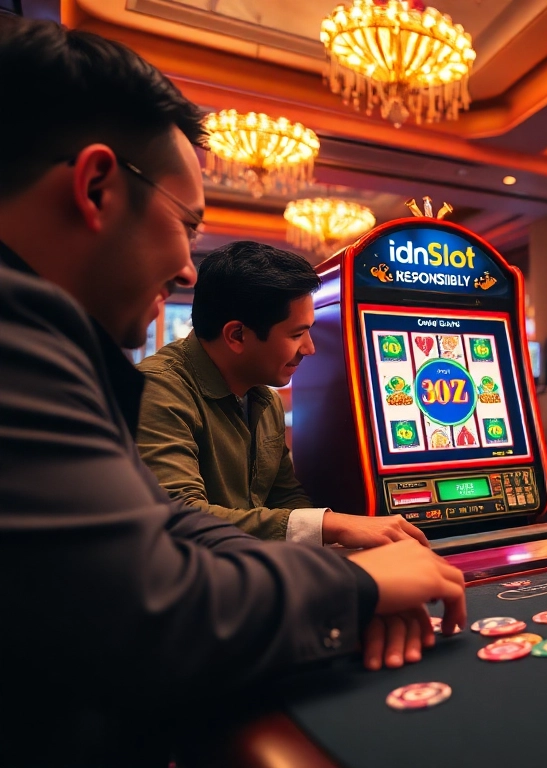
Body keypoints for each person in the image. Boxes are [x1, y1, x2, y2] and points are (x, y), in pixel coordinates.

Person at [0, 18, 464, 764]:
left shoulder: (55, 342)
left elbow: (171, 528)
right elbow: (150, 614)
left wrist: (339, 553)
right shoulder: (24, 338)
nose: (188, 270)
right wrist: (353, 588)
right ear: (95, 186)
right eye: (187, 224)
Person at [136, 241, 427, 547]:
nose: (310, 348)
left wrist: (343, 542)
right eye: (296, 334)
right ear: (237, 335)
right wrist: (331, 525)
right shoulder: (157, 388)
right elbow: (178, 517)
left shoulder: (264, 397)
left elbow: (285, 496)